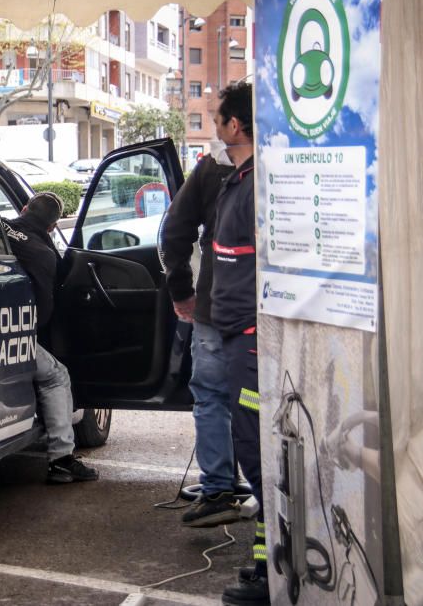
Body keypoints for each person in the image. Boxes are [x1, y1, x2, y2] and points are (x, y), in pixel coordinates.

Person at [208, 82, 266, 606]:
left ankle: (273, 571)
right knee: (252, 448)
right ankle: (268, 562)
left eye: (218, 116)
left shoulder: (256, 185)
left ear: (235, 125)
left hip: (248, 340)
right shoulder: (236, 179)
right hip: (232, 335)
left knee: (256, 449)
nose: (213, 123)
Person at [159, 151, 238, 528]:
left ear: (235, 125)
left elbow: (174, 231)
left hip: (216, 305)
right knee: (274, 400)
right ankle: (278, 492)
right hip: (278, 307)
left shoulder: (212, 168)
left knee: (212, 395)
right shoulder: (290, 157)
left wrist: (180, 291)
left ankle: (220, 490)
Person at [4, 192, 99, 485]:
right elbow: (42, 314)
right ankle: (61, 460)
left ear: (23, 208)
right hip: (11, 340)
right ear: (50, 228)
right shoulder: (45, 255)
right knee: (57, 375)